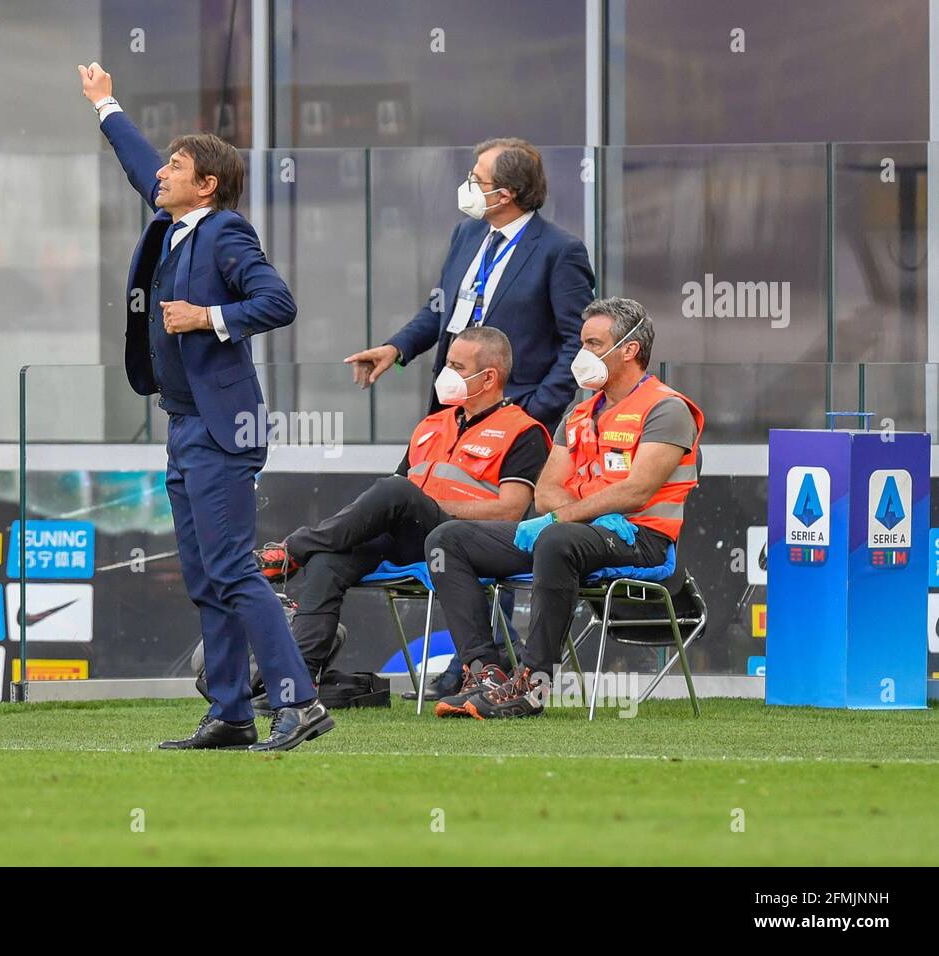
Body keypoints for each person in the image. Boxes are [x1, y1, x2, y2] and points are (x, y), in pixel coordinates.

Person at [79, 62, 331, 751]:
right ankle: (229, 714)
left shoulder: (224, 233)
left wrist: (207, 316)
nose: (160, 174)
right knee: (206, 578)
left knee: (233, 572)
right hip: (184, 426)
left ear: (207, 185)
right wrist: (106, 105)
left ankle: (298, 701)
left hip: (222, 431)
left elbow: (277, 302)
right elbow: (137, 166)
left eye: (175, 166)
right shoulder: (172, 224)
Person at [424, 297, 704, 719]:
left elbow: (637, 491)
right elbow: (546, 491)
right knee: (448, 539)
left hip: (640, 539)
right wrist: (573, 514)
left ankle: (533, 683)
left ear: (629, 349)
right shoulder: (578, 414)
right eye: (582, 343)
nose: (582, 355)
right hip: (574, 533)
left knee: (555, 538)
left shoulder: (667, 408)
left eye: (593, 343)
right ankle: (484, 670)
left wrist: (563, 517)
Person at [255, 327, 549, 681]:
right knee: (328, 561)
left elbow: (510, 512)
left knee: (399, 493)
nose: (445, 374)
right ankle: (298, 681)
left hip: (466, 540)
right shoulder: (432, 425)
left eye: (456, 366)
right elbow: (395, 495)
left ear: (488, 378)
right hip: (408, 538)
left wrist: (429, 502)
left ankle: (293, 550)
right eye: (446, 364)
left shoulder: (523, 430)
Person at [344, 138, 593, 435]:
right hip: (451, 408)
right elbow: (439, 308)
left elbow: (579, 341)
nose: (468, 187)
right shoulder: (467, 233)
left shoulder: (560, 250)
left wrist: (538, 410)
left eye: (477, 180)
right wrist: (396, 349)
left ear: (506, 194)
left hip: (515, 412)